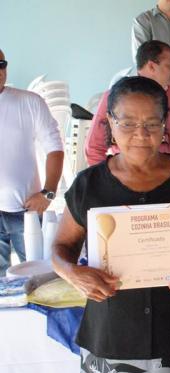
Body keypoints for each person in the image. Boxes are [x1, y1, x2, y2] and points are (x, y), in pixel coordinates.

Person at [52, 76, 170, 373]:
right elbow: (62, 248)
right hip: (113, 339)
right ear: (110, 123)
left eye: (151, 123)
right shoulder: (89, 185)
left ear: (165, 124)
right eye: (127, 123)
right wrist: (72, 273)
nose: (140, 134)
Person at [85, 40, 170, 167]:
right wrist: (107, 181)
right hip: (126, 179)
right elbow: (94, 148)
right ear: (152, 66)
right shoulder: (115, 96)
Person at [0, 48, 64, 275]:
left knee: (35, 277)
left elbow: (55, 148)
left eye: (1, 64)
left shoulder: (29, 102)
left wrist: (48, 193)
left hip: (24, 209)